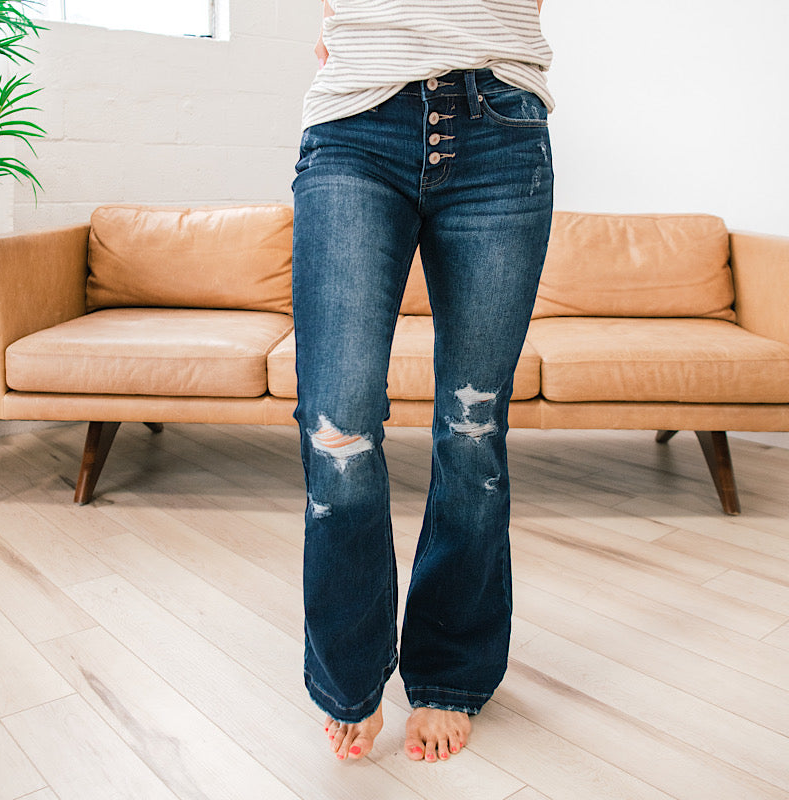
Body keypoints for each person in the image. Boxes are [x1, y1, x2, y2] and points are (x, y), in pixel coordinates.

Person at [291, 0, 554, 763]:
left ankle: (448, 671)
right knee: (338, 430)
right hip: (355, 125)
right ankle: (351, 675)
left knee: (473, 431)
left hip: (501, 124)